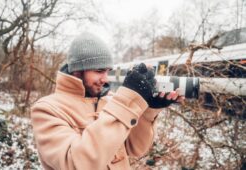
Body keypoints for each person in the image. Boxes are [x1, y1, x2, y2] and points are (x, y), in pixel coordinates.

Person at [31, 32, 184, 170]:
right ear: (77, 71)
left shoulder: (110, 100)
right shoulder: (47, 109)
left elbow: (136, 149)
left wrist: (148, 111)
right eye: (98, 71)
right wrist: (126, 101)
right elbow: (74, 164)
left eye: (107, 71)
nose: (105, 79)